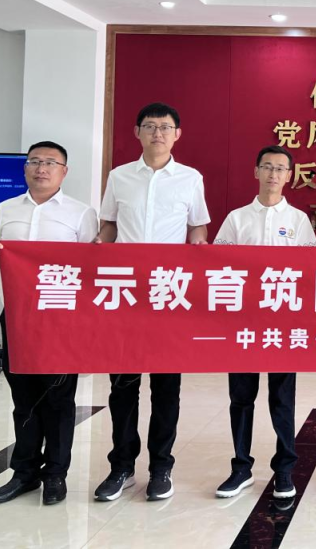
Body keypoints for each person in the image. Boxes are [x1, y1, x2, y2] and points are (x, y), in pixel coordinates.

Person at [93, 102, 210, 502]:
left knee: (166, 387)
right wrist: (98, 247)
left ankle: (161, 467)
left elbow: (197, 228)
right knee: (123, 385)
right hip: (125, 293)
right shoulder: (119, 177)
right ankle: (121, 467)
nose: (157, 133)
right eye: (150, 126)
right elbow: (109, 226)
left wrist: (199, 252)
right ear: (137, 132)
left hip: (168, 293)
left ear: (177, 134)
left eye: (165, 127)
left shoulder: (190, 179)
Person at [0, 141, 99, 506]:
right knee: (23, 397)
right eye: (34, 161)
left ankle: (56, 474)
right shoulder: (6, 209)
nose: (41, 168)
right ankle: (24, 472)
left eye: (50, 162)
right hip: (17, 316)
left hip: (61, 319)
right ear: (25, 168)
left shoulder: (81, 214)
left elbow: (90, 268)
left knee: (59, 398)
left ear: (64, 171)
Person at [212, 145, 316, 501]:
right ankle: (241, 467)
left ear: (290, 176)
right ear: (256, 172)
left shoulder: (299, 221)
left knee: (282, 398)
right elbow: (220, 267)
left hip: (284, 323)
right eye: (267, 167)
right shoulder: (237, 218)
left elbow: (309, 272)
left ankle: (284, 468)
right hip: (244, 322)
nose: (273, 174)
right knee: (241, 397)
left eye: (280, 168)